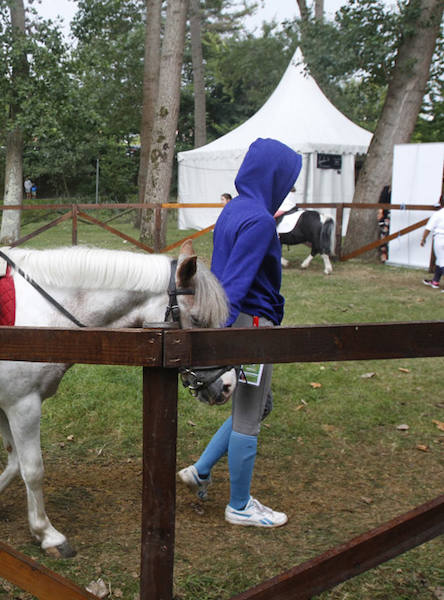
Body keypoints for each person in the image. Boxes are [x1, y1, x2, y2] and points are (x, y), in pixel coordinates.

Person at [177, 137, 301, 528]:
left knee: (258, 406)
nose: (288, 186)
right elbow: (238, 283)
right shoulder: (261, 221)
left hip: (241, 324)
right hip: (252, 328)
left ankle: (200, 469)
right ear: (273, 177)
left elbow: (220, 273)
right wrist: (221, 344)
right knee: (249, 415)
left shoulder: (232, 211)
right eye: (286, 178)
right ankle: (240, 505)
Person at [419, 195, 444, 290]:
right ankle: (435, 281)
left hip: (440, 238)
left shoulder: (437, 214)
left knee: (442, 261)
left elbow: (428, 228)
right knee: (439, 260)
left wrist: (423, 239)